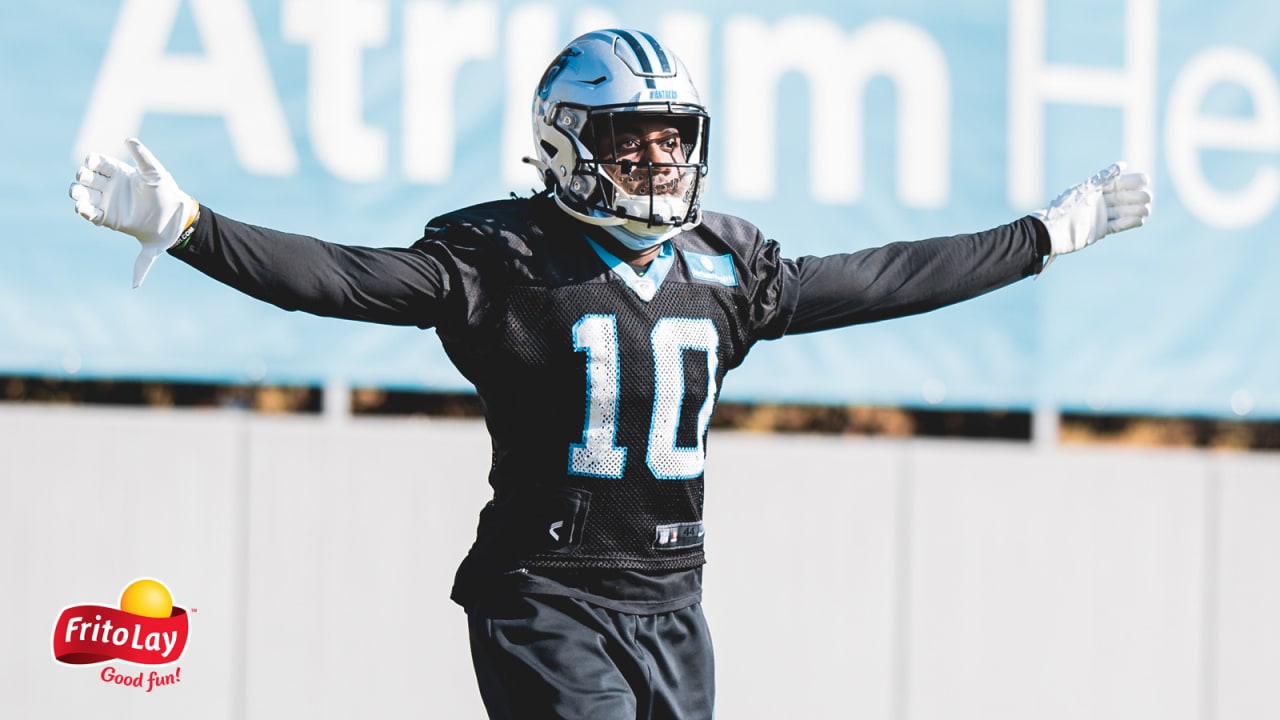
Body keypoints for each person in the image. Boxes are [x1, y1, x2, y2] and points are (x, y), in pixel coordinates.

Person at [68, 28, 1151, 720]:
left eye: (671, 141)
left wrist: (1044, 235)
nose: (656, 163)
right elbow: (343, 278)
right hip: (542, 595)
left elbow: (885, 277)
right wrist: (191, 227)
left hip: (674, 600)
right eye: (630, 142)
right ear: (565, 142)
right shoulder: (500, 257)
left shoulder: (727, 265)